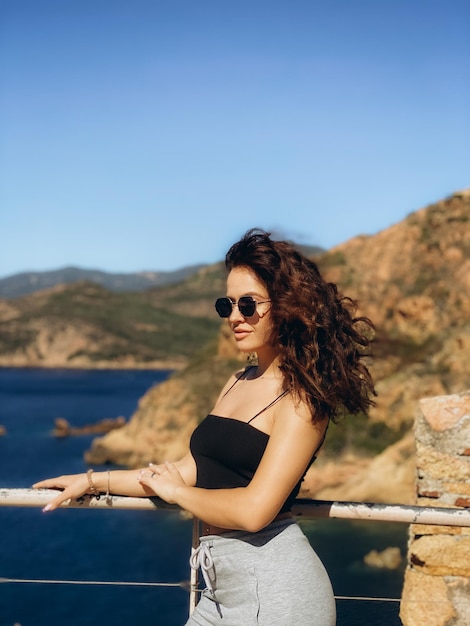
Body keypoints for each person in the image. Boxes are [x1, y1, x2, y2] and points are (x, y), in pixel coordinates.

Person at [34, 229, 376, 626]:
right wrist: (92, 479)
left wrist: (177, 493)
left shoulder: (303, 400)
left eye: (248, 304)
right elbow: (185, 468)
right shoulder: (237, 380)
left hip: (278, 593)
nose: (234, 317)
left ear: (286, 306)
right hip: (219, 592)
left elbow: (253, 512)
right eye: (227, 304)